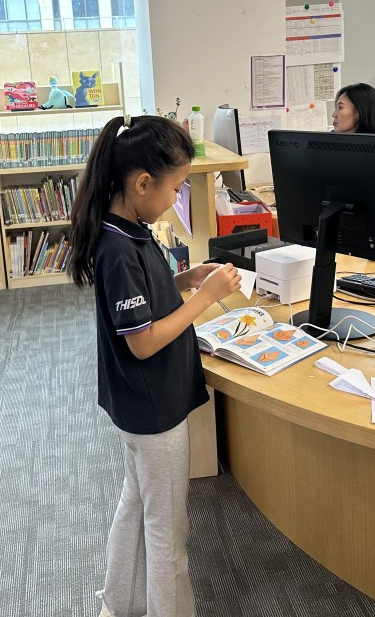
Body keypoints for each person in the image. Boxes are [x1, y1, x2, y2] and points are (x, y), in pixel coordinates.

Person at [69, 114, 241, 617]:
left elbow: (146, 297)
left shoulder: (127, 228)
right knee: (168, 532)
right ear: (143, 183)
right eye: (176, 187)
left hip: (136, 403)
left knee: (137, 503)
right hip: (152, 407)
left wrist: (186, 280)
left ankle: (118, 604)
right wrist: (205, 299)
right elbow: (143, 342)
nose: (177, 197)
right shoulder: (118, 249)